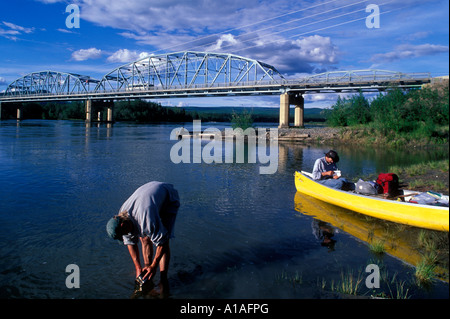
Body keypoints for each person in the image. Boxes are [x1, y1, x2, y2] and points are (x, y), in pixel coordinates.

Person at [106, 181, 180, 293]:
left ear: (123, 225)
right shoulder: (121, 215)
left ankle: (163, 280)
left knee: (164, 239)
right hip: (147, 199)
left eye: (123, 234)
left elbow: (162, 243)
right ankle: (147, 270)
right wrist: (138, 268)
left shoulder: (146, 219)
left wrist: (154, 265)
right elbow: (130, 243)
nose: (125, 236)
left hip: (168, 198)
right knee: (144, 237)